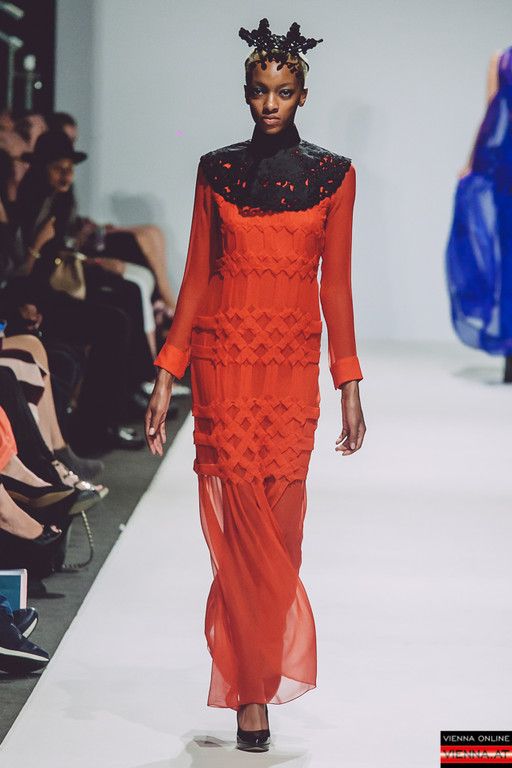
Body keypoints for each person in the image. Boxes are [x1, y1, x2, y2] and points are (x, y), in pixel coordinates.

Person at [145, 18, 366, 753]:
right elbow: (197, 277)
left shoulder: (335, 176)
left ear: (303, 95)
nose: (271, 103)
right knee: (240, 534)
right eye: (260, 90)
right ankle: (251, 695)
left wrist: (348, 380)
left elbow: (336, 285)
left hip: (291, 367)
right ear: (245, 93)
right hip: (225, 365)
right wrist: (168, 371)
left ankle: (257, 669)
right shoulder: (217, 171)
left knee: (282, 532)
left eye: (284, 91)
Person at [446, 46, 512, 382]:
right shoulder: (500, 59)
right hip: (503, 165)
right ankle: (511, 352)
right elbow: (491, 114)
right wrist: (471, 162)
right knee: (505, 256)